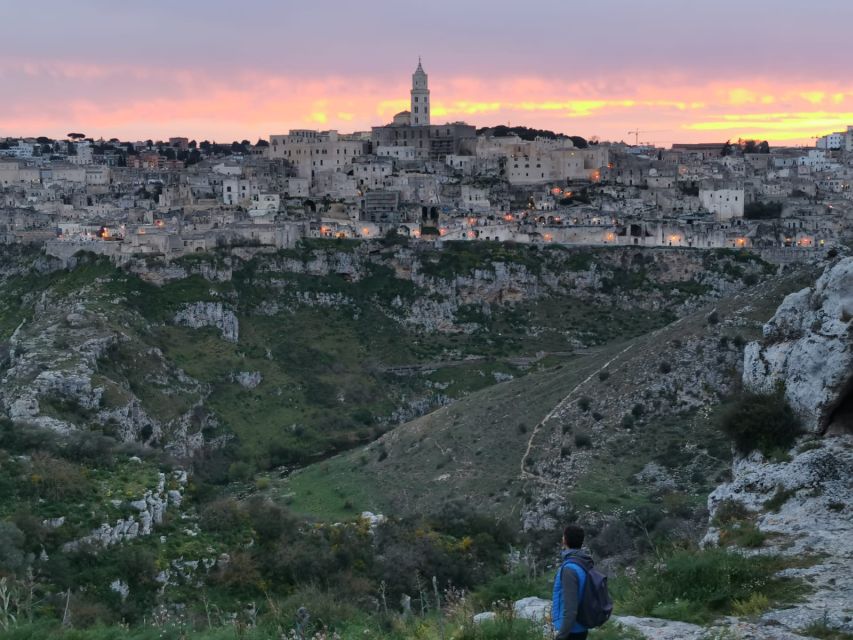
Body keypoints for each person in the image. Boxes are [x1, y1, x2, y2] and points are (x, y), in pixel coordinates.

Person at [552, 524, 594, 640]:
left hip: (571, 631)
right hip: (581, 627)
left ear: (565, 540)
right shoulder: (584, 563)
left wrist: (561, 636)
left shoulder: (569, 569)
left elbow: (570, 609)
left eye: (563, 536)